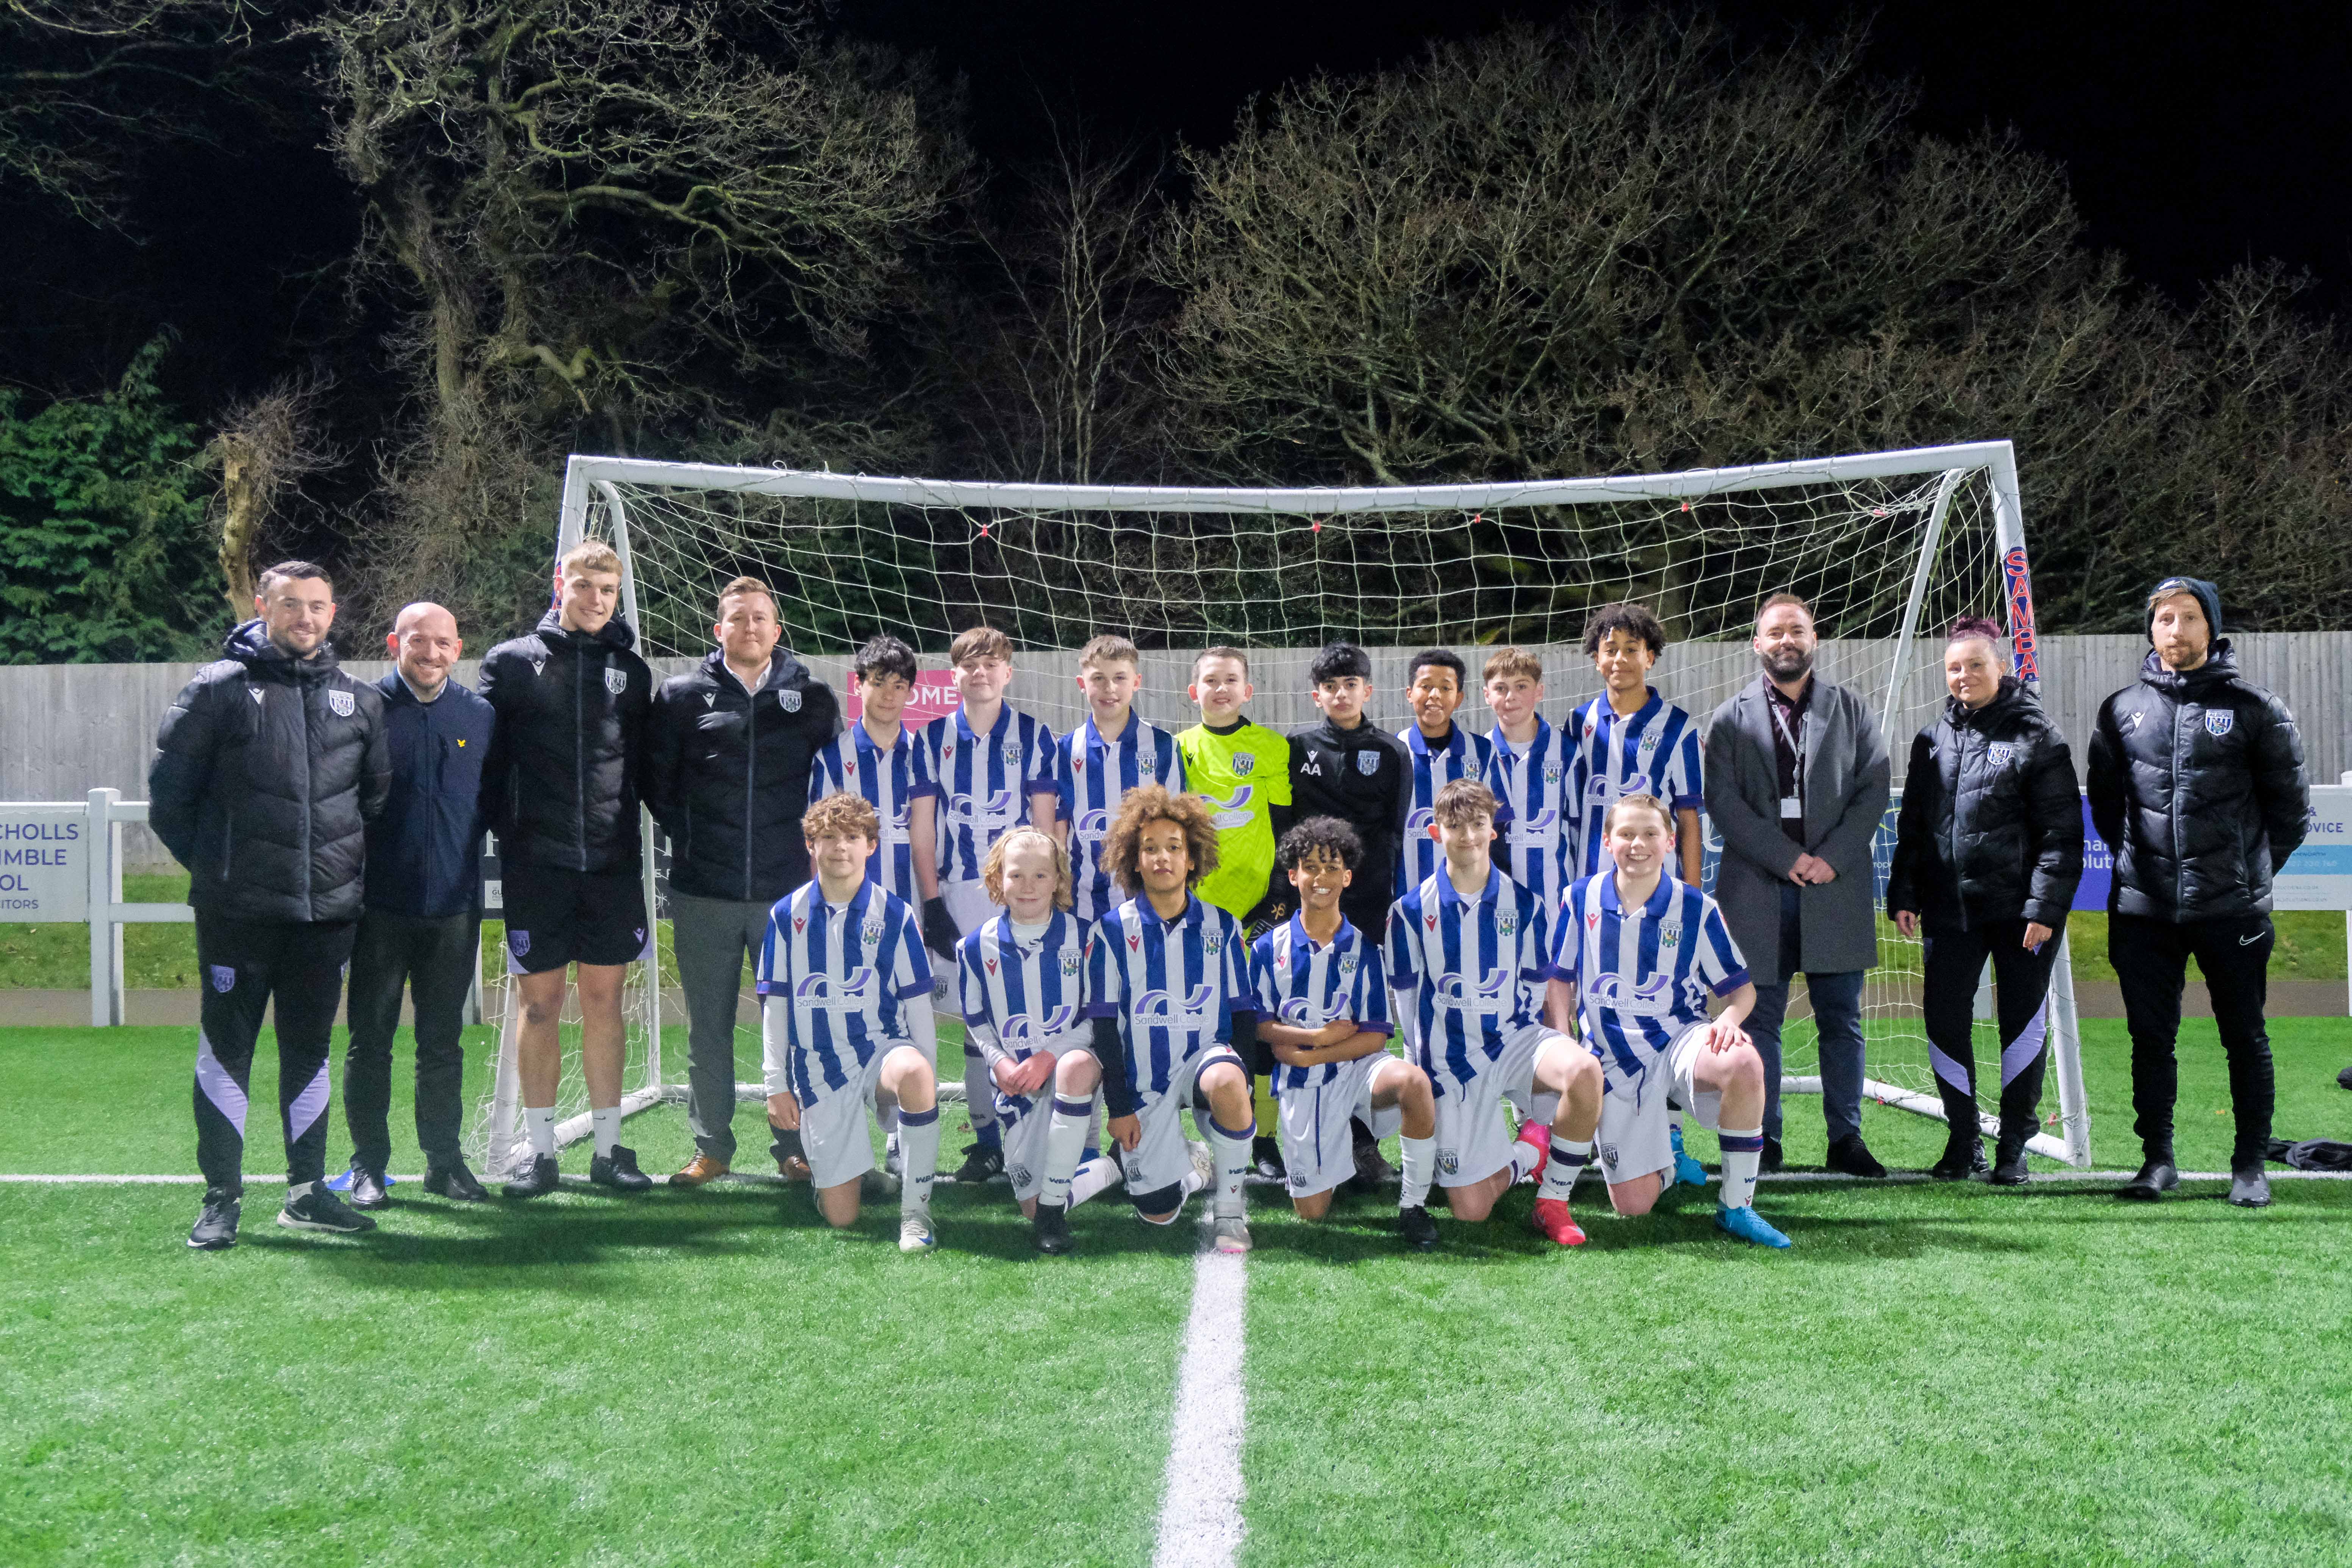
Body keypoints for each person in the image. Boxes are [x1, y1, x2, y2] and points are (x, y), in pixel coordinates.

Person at [150, 561, 391, 1248]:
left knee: (310, 1051)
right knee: (228, 1050)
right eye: (292, 605)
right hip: (239, 914)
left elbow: (373, 802)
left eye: (318, 606)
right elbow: (170, 798)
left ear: (333, 613)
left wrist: (336, 878)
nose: (306, 618)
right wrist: (222, 869)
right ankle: (222, 1196)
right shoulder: (217, 691)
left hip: (324, 918)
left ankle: (306, 1190)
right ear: (263, 606)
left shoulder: (359, 700)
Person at [2087, 577, 2308, 1208]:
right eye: (2163, 619)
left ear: (2210, 627)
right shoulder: (2120, 709)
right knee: (2148, 1040)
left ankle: (2248, 1164)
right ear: (2149, 630)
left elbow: (2288, 813)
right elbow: (2107, 807)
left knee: (2245, 1035)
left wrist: (2244, 874)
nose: (2175, 630)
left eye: (2187, 618)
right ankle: (2156, 1159)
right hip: (2142, 910)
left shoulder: (2254, 707)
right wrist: (2143, 867)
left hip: (2230, 909)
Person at [647, 576, 841, 1189]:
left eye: (760, 618)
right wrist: (694, 836)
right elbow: (657, 783)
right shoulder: (680, 696)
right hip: (703, 888)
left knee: (789, 1026)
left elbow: (830, 790)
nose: (749, 627)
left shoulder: (812, 699)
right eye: (737, 619)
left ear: (776, 629)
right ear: (718, 630)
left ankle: (793, 1145)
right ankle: (712, 1147)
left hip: (787, 894)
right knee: (707, 1026)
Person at [477, 538, 656, 1199]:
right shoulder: (512, 664)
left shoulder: (630, 673)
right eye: (584, 586)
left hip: (610, 864)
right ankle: (541, 1149)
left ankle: (610, 1147)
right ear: (561, 582)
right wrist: (504, 836)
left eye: (606, 590)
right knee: (540, 1003)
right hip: (537, 864)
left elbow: (643, 770)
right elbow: (488, 769)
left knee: (606, 1001)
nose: (594, 600)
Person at [1887, 618, 2084, 1186]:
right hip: (1950, 912)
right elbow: (1915, 828)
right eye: (1955, 667)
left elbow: (2062, 833)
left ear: (2000, 667)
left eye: (1977, 664)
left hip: (2020, 917)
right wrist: (1905, 892)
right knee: (1944, 1021)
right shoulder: (1932, 739)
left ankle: (2014, 1147)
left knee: (2021, 1026)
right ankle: (1962, 1136)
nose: (1965, 675)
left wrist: (2045, 908)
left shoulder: (2036, 735)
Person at [1703, 593, 1891, 1178]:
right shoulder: (1729, 717)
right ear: (1757, 643)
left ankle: (1848, 1138)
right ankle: (1765, 1138)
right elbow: (1724, 804)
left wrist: (1829, 858)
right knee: (1760, 1020)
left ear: (1815, 639)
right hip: (1758, 886)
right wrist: (1789, 857)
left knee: (1842, 1018)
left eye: (1798, 630)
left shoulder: (1853, 709)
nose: (1787, 640)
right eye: (1775, 632)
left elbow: (1874, 788)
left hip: (1834, 886)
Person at [1548, 795, 1789, 1248]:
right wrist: (1564, 1037)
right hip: (1610, 1060)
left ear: (1670, 842)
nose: (1637, 844)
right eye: (1625, 834)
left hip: (1678, 1041)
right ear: (1606, 841)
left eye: (1649, 834)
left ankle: (1737, 1206)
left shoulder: (1697, 907)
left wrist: (1731, 1019)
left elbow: (1743, 990)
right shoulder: (1579, 899)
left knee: (1744, 1062)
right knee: (1633, 1206)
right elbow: (1559, 980)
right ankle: (1667, 1164)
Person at [1386, 779, 1603, 1246]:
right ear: (1434, 832)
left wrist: (1535, 1046)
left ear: (1493, 832)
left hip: (1512, 1041)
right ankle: (1528, 1153)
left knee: (1585, 1069)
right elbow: (1405, 1001)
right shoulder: (1407, 910)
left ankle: (1554, 1200)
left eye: (1478, 825)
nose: (1467, 836)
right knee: (1471, 1211)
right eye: (1455, 826)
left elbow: (1534, 990)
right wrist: (1421, 1066)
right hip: (1450, 1058)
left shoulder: (1526, 905)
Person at [337, 600, 494, 1208]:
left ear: (459, 648)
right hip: (378, 909)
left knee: (442, 1043)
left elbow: (489, 804)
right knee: (370, 1040)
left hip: (453, 908)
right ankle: (368, 1166)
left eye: (443, 643)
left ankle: (444, 1161)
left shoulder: (478, 715)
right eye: (418, 641)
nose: (431, 653)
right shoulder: (363, 708)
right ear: (392, 643)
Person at [1563, 605, 1711, 1189]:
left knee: (1660, 1012)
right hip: (1595, 900)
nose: (1619, 658)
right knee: (1596, 1008)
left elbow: (1690, 817)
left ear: (1651, 655)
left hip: (1659, 901)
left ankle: (1668, 1138)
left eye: (1631, 647)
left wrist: (1692, 894)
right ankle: (1591, 1133)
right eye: (1609, 648)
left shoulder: (1677, 726)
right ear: (1596, 657)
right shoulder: (1576, 725)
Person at [757, 792, 944, 1251]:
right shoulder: (785, 915)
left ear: (871, 846)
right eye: (828, 837)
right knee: (843, 1219)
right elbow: (776, 1004)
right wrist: (774, 1083)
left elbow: (918, 1004)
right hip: (818, 1064)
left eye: (852, 837)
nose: (841, 847)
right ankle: (854, 1175)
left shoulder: (896, 914)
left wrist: (929, 1077)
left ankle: (916, 1214)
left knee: (915, 1070)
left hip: (880, 1050)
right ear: (810, 845)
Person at [1082, 786, 1262, 1254]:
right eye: (1150, 848)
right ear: (1134, 860)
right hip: (1143, 1082)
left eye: (1174, 848)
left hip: (1205, 1060)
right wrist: (1118, 1106)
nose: (1162, 857)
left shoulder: (1221, 926)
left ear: (1192, 858)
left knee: (1226, 1079)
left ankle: (1230, 1212)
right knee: (1157, 1211)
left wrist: (1245, 1087)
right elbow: (1104, 1027)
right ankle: (1195, 1166)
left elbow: (1243, 1011)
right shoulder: (1110, 931)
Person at [1252, 818, 1439, 1249]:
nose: (1322, 878)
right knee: (1313, 1212)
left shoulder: (1365, 948)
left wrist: (1311, 1051)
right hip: (1304, 1083)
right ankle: (1342, 1156)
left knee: (1413, 1081)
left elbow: (1375, 1035)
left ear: (1348, 876)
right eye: (1311, 867)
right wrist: (1318, 1037)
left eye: (1332, 867)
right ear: (1293, 874)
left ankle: (1413, 1204)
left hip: (1355, 1070)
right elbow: (1259, 1024)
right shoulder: (1268, 948)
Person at [917, 624, 1059, 1185]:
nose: (981, 672)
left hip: (1021, 893)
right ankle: (984, 1143)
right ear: (954, 674)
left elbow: (1046, 822)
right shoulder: (930, 738)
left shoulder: (1035, 733)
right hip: (957, 893)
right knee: (976, 1023)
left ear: (1008, 672)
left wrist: (1053, 889)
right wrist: (932, 901)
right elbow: (923, 826)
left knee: (1030, 1016)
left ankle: (1039, 1130)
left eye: (991, 663)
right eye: (969, 664)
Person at [808, 633, 941, 1182]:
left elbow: (926, 833)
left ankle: (897, 1135)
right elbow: (817, 836)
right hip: (845, 911)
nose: (890, 693)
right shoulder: (833, 756)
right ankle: (843, 1137)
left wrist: (932, 902)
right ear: (858, 685)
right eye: (879, 681)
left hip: (903, 911)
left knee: (905, 1018)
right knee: (847, 1014)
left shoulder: (923, 752)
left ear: (913, 692)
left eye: (901, 684)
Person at [956, 827, 1123, 1255]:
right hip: (1016, 1086)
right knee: (1031, 1207)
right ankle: (1116, 1166)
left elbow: (1095, 1015)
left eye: (1041, 875)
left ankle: (1086, 1156)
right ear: (997, 880)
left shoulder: (1086, 937)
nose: (1028, 886)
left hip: (1069, 1073)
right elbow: (975, 1016)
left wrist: (1050, 1056)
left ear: (1059, 881)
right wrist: (998, 1062)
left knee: (1075, 1066)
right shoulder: (974, 946)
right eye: (1016, 875)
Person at [1176, 646, 1294, 1177]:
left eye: (1231, 680)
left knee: (1259, 1018)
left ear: (1248, 690)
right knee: (1189, 1016)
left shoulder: (1271, 747)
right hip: (1193, 911)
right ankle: (1182, 1129)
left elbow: (1287, 822)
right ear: (1193, 690)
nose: (1220, 689)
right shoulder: (1176, 748)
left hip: (1258, 911)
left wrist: (1277, 895)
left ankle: (1262, 1138)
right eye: (1210, 680)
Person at [1054, 633, 1187, 921]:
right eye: (1098, 678)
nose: (1110, 688)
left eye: (1120, 678)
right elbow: (1059, 830)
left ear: (1136, 682)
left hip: (1149, 900)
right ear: (1082, 684)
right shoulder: (1065, 750)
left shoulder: (1164, 745)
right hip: (1082, 902)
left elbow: (1176, 824)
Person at [1287, 642, 1411, 941]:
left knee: (1364, 973)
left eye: (1350, 684)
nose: (1341, 694)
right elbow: (1288, 818)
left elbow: (1396, 828)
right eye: (1331, 686)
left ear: (1366, 692)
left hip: (1369, 887)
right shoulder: (1297, 745)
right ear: (1318, 697)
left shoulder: (1392, 751)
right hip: (1312, 884)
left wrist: (1382, 879)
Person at [1394, 649, 1500, 898]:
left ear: (1459, 697)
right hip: (1406, 892)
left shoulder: (1484, 752)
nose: (1435, 695)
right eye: (1426, 686)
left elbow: (1495, 824)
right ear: (1410, 694)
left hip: (1472, 892)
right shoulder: (1393, 750)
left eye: (1445, 688)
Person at [1481, 647, 1576, 909]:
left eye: (1521, 686)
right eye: (1501, 688)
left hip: (1556, 901)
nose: (1511, 697)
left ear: (1539, 692)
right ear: (1487, 695)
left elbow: (1581, 828)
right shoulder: (1478, 754)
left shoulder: (1568, 751)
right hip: (1496, 901)